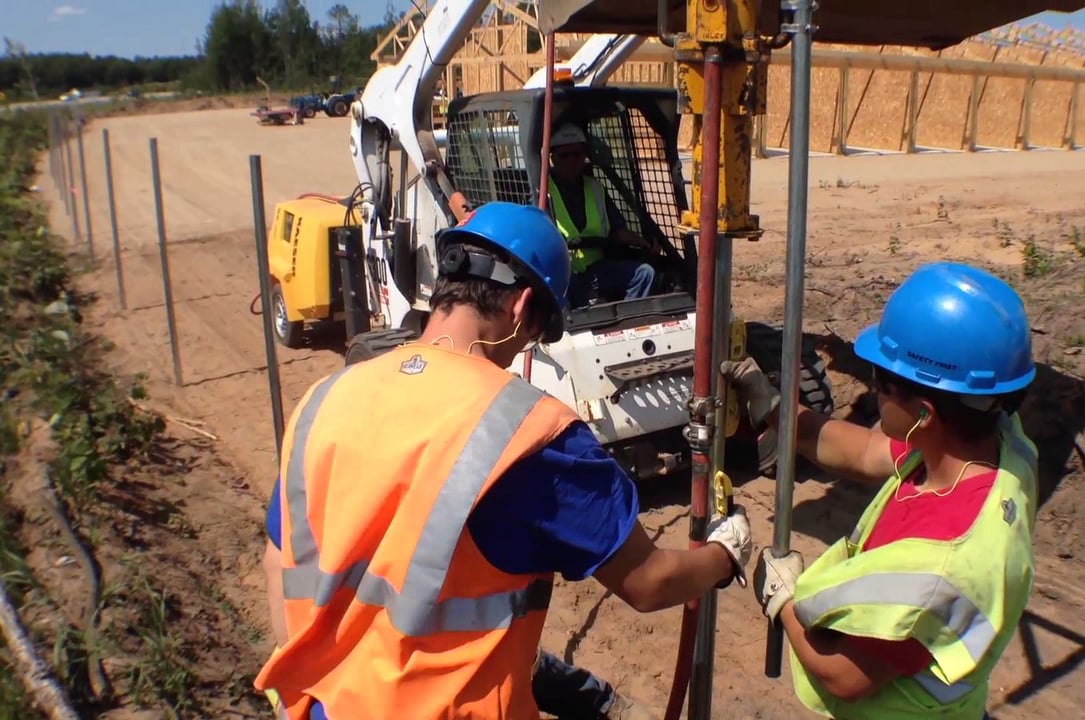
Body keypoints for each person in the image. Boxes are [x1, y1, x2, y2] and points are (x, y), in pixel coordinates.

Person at [253, 201, 752, 720]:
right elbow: (649, 582)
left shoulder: (326, 398)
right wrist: (726, 553)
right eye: (537, 331)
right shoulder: (533, 436)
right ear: (521, 307)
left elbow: (278, 559)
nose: (525, 348)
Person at [723, 261, 1040, 720]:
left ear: (924, 413)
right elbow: (865, 450)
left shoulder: (939, 568)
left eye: (882, 383)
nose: (873, 390)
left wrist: (784, 599)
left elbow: (843, 677)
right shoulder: (988, 448)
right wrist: (774, 408)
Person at [544, 123, 658, 306]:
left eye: (576, 155)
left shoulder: (595, 188)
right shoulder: (542, 190)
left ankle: (627, 318)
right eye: (564, 155)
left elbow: (618, 231)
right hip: (564, 272)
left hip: (597, 268)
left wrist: (643, 242)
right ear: (552, 158)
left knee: (645, 273)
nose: (571, 161)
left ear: (585, 156)